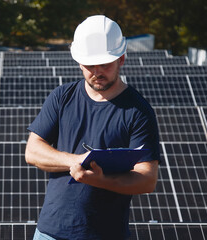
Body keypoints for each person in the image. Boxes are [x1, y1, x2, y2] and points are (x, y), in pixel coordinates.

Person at [25, 15, 160, 240]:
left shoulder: (138, 111)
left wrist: (100, 180)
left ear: (122, 59)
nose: (97, 71)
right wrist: (76, 160)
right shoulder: (62, 97)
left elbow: (147, 179)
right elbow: (33, 150)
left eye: (105, 64)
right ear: (79, 62)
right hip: (50, 232)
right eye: (89, 65)